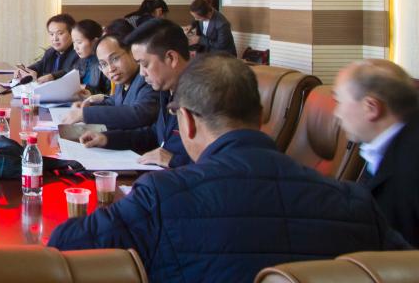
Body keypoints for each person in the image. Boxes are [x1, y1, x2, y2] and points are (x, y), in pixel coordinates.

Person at [48, 54, 409, 282]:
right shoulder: (356, 203)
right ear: (262, 116)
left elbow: (64, 246)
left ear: (187, 122)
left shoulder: (161, 196)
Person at [78, 19, 190, 168]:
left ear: (171, 58)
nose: (142, 73)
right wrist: (107, 139)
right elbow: (154, 135)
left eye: (145, 64)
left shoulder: (205, 95)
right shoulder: (167, 90)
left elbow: (218, 164)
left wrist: (174, 161)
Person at [333, 58, 419, 246]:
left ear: (371, 107)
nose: (336, 113)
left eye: (339, 101)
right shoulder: (387, 146)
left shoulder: (412, 163)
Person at [60, 29, 158, 130]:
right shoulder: (122, 80)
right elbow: (115, 102)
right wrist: (89, 106)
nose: (111, 69)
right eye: (104, 64)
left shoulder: (147, 78)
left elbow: (141, 113)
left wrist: (86, 114)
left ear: (131, 52)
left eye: (115, 59)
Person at [15, 13, 79, 84]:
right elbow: (39, 65)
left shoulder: (78, 53)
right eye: (51, 34)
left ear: (72, 34)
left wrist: (52, 76)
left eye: (60, 33)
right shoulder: (50, 52)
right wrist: (25, 71)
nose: (55, 38)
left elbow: (72, 71)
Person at [71, 19, 109, 96]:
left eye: (79, 42)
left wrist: (85, 88)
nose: (75, 48)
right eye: (74, 42)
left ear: (95, 42)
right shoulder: (80, 61)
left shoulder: (106, 63)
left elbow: (110, 95)